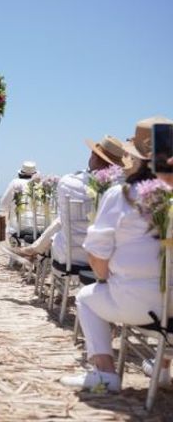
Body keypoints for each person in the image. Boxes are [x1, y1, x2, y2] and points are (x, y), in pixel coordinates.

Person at [60, 116, 173, 392]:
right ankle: (162, 369)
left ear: (137, 159)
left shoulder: (121, 195)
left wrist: (106, 278)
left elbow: (97, 257)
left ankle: (105, 373)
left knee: (86, 298)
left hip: (135, 305)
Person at [12, 136, 127, 270]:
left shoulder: (68, 182)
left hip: (69, 255)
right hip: (108, 258)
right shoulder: (121, 190)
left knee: (62, 220)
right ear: (116, 164)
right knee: (63, 220)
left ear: (93, 154)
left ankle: (33, 250)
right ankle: (32, 250)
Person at [0, 161, 38, 238]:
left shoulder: (15, 183)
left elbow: (3, 204)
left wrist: (10, 209)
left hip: (17, 226)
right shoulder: (40, 184)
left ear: (21, 173)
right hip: (38, 226)